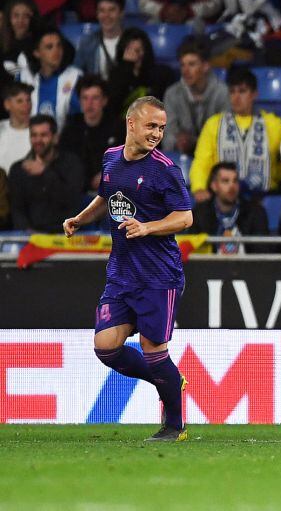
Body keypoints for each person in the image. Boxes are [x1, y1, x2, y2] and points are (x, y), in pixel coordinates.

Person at [63, 96, 193, 442]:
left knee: (153, 349)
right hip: (122, 272)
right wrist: (81, 217)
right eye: (151, 126)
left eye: (162, 128)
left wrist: (147, 226)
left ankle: (175, 426)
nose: (157, 134)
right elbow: (107, 198)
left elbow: (185, 217)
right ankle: (168, 379)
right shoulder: (110, 159)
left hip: (158, 274)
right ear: (131, 123)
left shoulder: (165, 169)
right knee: (106, 346)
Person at [189, 67, 281, 203]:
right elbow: (202, 161)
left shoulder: (274, 124)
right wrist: (199, 187)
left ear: (254, 94)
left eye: (242, 91)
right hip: (224, 197)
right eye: (232, 92)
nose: (236, 97)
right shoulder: (214, 124)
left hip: (264, 196)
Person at [9, 113, 83, 231]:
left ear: (55, 138)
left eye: (43, 135)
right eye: (34, 135)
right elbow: (17, 209)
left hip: (64, 235)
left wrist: (45, 172)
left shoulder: (71, 164)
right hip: (29, 237)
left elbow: (72, 201)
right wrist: (27, 232)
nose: (38, 140)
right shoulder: (19, 169)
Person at [161, 37, 229, 154]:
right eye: (183, 65)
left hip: (214, 157)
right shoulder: (172, 94)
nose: (186, 71)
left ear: (205, 66)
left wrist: (195, 143)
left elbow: (226, 136)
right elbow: (167, 135)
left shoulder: (222, 93)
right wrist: (178, 142)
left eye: (192, 64)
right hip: (182, 156)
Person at [59, 75, 124, 193]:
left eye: (95, 98)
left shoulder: (118, 127)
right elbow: (65, 165)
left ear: (104, 101)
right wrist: (88, 181)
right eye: (85, 98)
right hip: (79, 193)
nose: (89, 103)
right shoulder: (71, 130)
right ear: (79, 101)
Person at [190, 161, 270, 254]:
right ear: (214, 186)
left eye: (235, 181)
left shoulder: (256, 212)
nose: (232, 186)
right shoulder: (200, 213)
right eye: (225, 181)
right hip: (211, 267)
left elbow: (262, 253)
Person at [18, 27, 81, 133]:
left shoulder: (75, 77)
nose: (56, 51)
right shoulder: (24, 77)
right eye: (49, 47)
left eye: (59, 45)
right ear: (37, 52)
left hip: (64, 143)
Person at [105, 28, 177, 115]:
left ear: (146, 51)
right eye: (129, 50)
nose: (134, 55)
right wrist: (127, 66)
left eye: (138, 50)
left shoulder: (162, 74)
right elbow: (112, 107)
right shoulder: (116, 75)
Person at [74, 0, 126, 81]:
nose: (106, 15)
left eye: (112, 10)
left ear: (121, 13)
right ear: (97, 14)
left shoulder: (133, 41)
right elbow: (76, 74)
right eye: (102, 10)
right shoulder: (87, 43)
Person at [0, 81, 31, 174]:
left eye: (28, 100)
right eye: (19, 101)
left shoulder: (39, 132)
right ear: (7, 105)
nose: (26, 105)